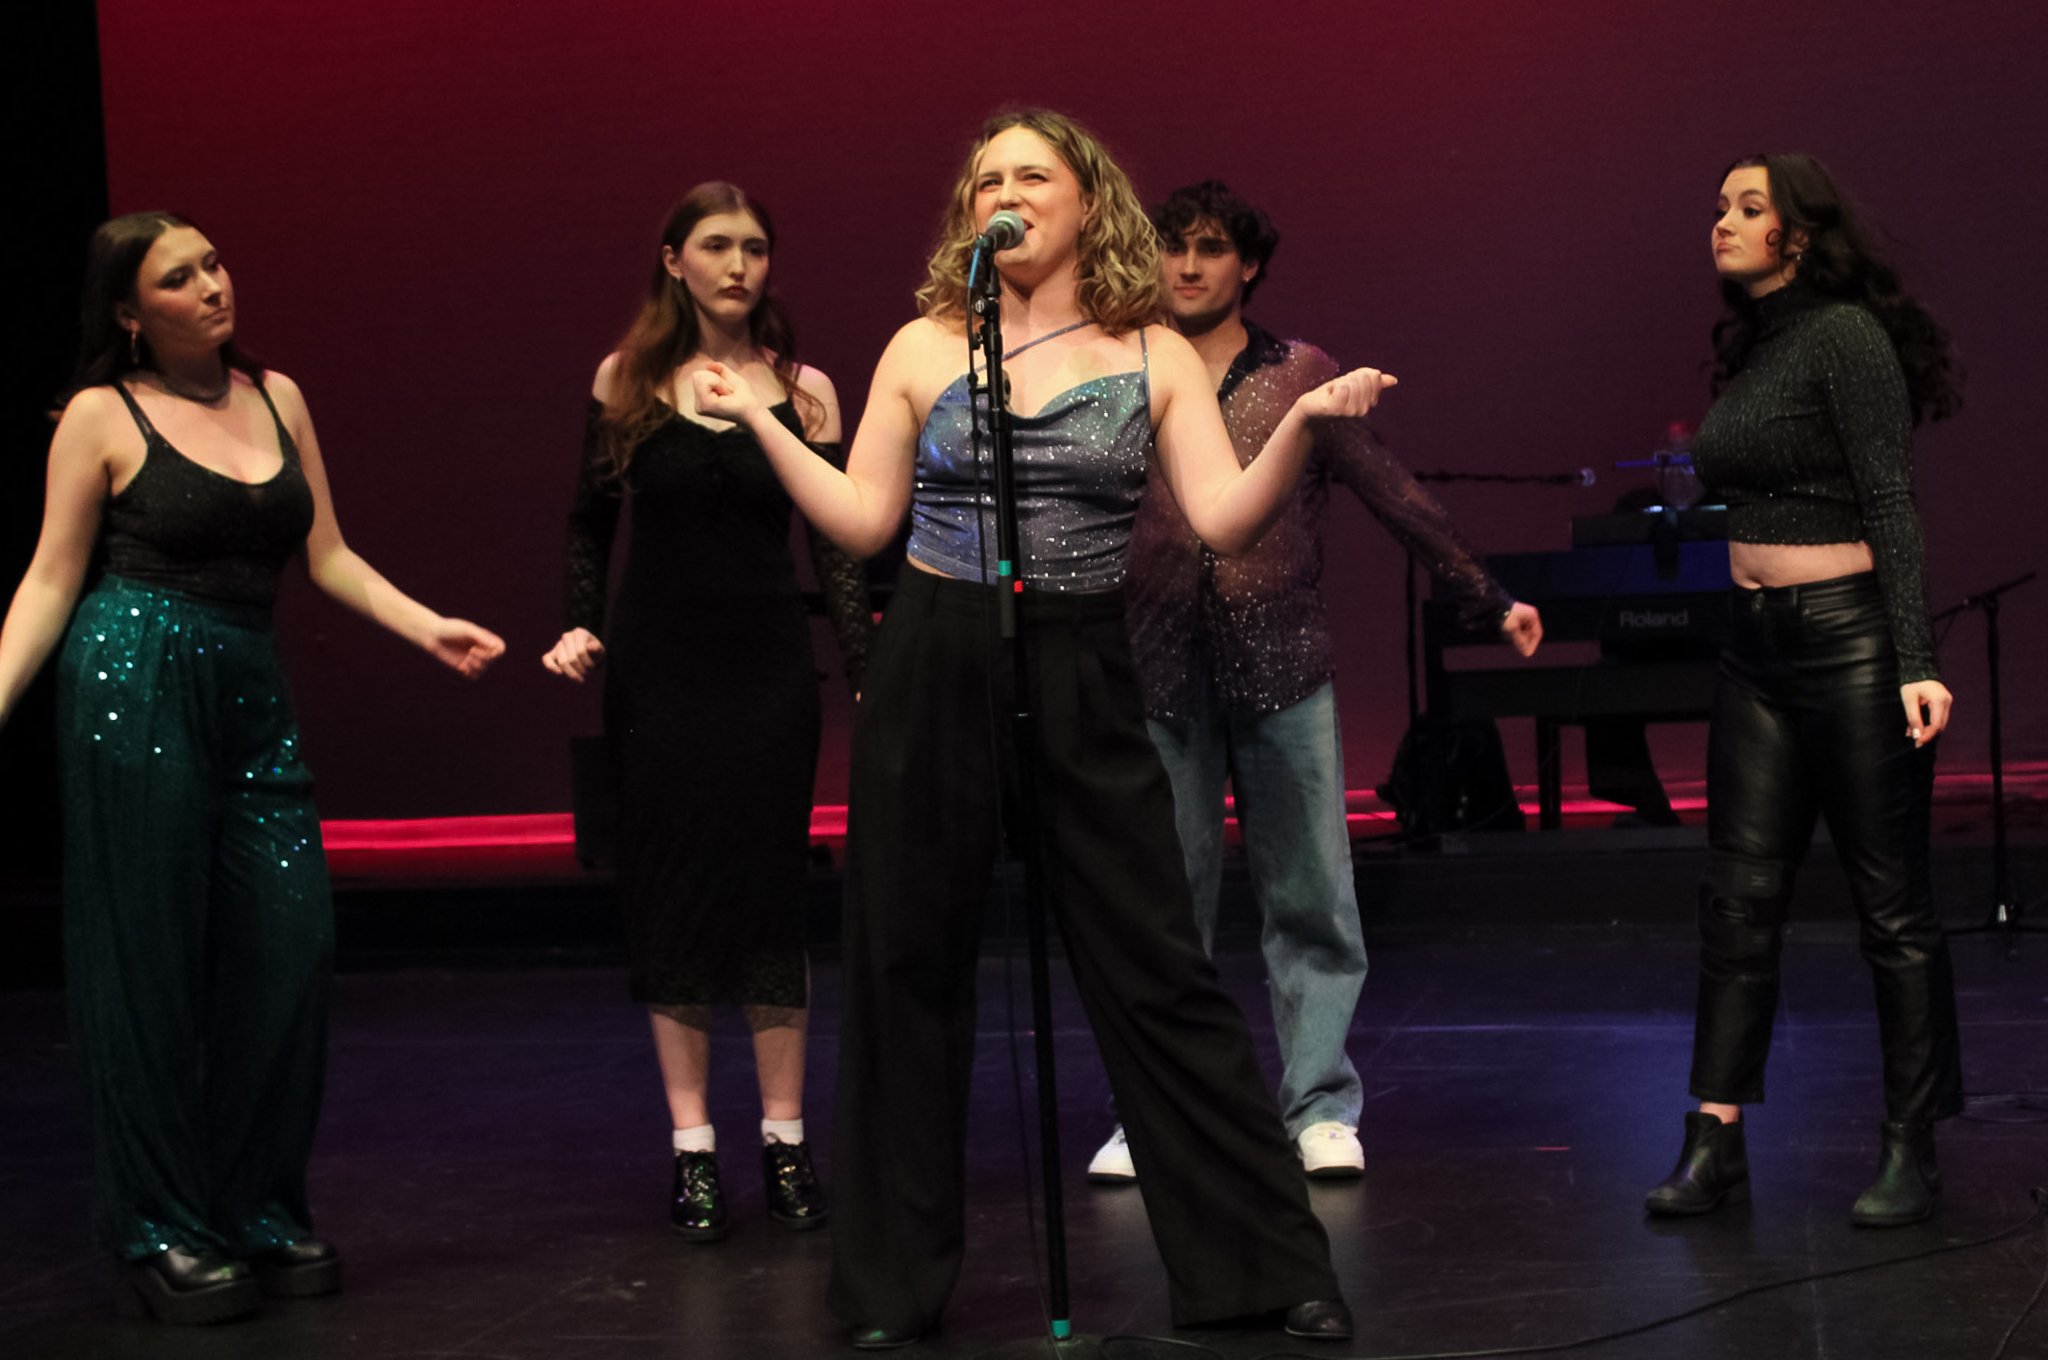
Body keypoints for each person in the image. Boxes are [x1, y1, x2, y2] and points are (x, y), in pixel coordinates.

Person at [691, 109, 1383, 1349]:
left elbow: (1222, 518)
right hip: (935, 654)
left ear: (1085, 201)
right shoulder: (923, 344)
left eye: (1029, 175)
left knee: (1157, 965)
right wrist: (760, 420)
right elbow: (861, 522)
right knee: (906, 968)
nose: (1001, 193)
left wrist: (1300, 423)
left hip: (1080, 660)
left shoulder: (1152, 351)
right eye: (984, 179)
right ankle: (890, 1287)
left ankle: (1262, 1265)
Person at [0, 212, 505, 1323]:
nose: (212, 286)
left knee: (288, 942)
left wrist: (426, 625)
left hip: (247, 687)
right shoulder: (102, 414)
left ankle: (257, 1206)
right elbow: (50, 578)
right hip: (134, 677)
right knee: (148, 960)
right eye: (179, 278)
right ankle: (163, 1225)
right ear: (131, 313)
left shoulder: (278, 397)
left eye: (214, 263)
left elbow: (327, 553)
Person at [1088, 181, 1542, 1186]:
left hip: (1283, 666)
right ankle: (1150, 1111)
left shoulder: (1299, 373)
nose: (1187, 266)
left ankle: (1321, 1104)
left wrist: (1485, 595)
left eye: (1210, 248)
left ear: (1248, 264)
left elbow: (1391, 490)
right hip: (1158, 667)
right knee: (1162, 908)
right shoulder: (1126, 370)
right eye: (1173, 247)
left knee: (1311, 899)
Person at [543, 183, 871, 1244]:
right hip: (660, 672)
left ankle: (785, 1140)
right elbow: (589, 521)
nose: (739, 265)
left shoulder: (805, 390)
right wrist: (579, 623)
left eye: (756, 247)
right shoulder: (626, 379)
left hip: (765, 669)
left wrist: (866, 668)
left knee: (769, 896)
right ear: (674, 259)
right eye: (718, 245)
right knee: (673, 898)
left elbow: (837, 545)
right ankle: (692, 1148)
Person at [1643, 154, 1964, 1227]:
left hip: (1849, 642)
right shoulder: (1761, 347)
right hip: (1754, 647)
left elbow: (1890, 500)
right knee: (1737, 900)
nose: (1722, 222)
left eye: (1749, 208)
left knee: (1892, 908)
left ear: (1799, 233)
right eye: (1718, 206)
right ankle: (1713, 1136)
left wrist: (1915, 656)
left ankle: (1910, 1144)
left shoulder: (1844, 336)